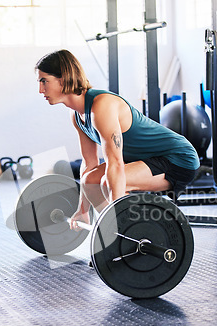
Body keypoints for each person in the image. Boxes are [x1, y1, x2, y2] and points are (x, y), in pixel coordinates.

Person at [35, 49, 200, 229]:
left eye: (44, 81)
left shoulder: (101, 106)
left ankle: (126, 229)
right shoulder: (77, 115)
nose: (40, 90)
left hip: (177, 159)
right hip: (144, 159)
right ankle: (118, 231)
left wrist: (117, 212)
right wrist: (83, 210)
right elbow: (89, 163)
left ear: (63, 78)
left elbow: (115, 164)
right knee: (90, 181)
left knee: (107, 182)